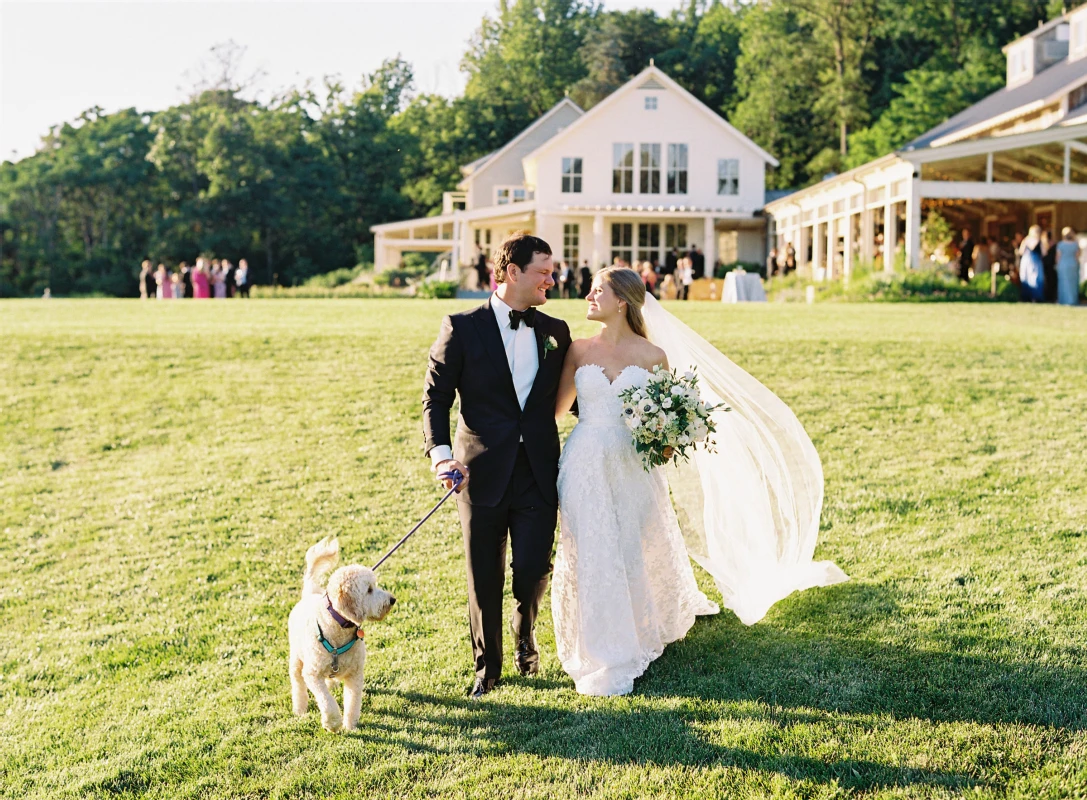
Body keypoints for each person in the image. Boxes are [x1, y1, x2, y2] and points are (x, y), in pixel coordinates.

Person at [551, 267, 847, 696]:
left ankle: (636, 626)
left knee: (631, 545)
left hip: (634, 464)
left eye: (598, 291)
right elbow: (557, 411)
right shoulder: (577, 351)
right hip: (585, 461)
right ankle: (599, 644)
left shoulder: (653, 356)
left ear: (622, 302)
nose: (588, 297)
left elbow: (670, 423)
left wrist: (668, 436)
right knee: (591, 544)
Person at [423, 232, 572, 700]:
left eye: (553, 271)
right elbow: (435, 398)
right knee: (483, 574)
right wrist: (442, 456)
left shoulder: (556, 332)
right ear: (512, 271)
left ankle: (525, 629)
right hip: (477, 473)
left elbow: (572, 399)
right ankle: (487, 669)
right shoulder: (461, 327)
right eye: (544, 271)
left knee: (532, 569)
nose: (553, 278)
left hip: (538, 471)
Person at [1018, 225, 1045, 302]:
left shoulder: (1026, 240)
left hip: (1027, 260)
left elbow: (1021, 251)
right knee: (1034, 278)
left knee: (1028, 278)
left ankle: (1029, 297)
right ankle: (1034, 297)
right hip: (1034, 261)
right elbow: (1044, 252)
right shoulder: (1038, 240)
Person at [1056, 227, 1081, 306]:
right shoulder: (1075, 244)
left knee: (1063, 283)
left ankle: (1063, 300)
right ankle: (1072, 300)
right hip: (1073, 264)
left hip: (1063, 265)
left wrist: (1057, 265)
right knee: (1072, 283)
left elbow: (1058, 257)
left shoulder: (1060, 244)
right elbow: (1078, 256)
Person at [1041, 231, 1058, 303]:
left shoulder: (1043, 244)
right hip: (1051, 265)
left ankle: (1048, 297)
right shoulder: (1054, 244)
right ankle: (1051, 297)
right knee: (1052, 281)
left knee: (1047, 281)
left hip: (1046, 265)